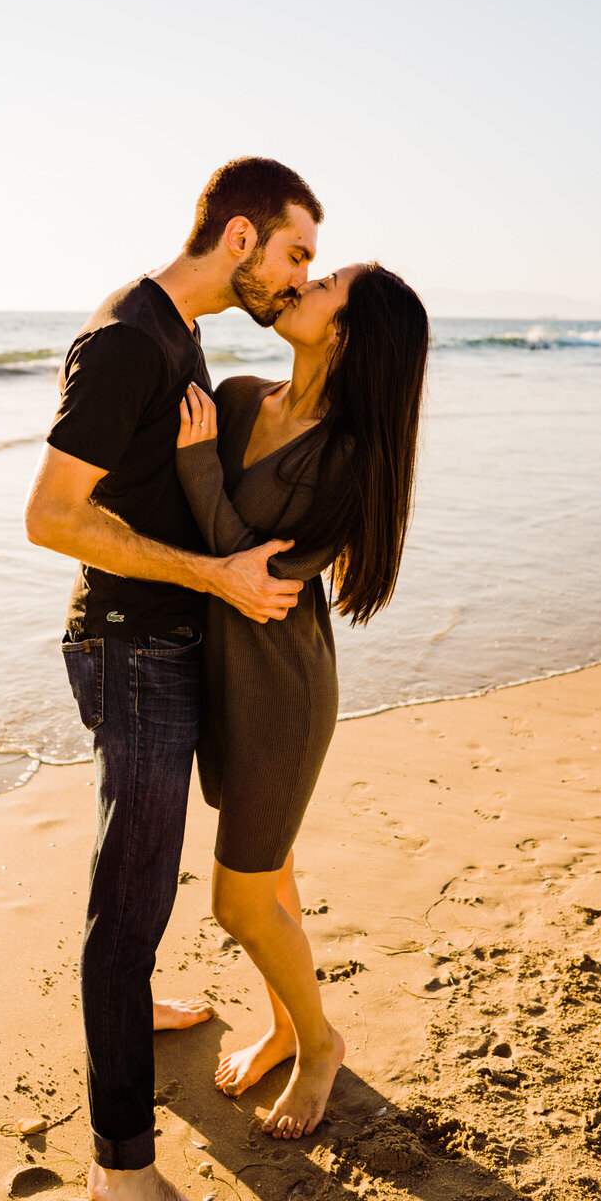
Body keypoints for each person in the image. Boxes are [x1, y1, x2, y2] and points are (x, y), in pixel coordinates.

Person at [24, 157, 323, 1201]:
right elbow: (52, 516)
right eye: (292, 253)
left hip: (169, 643)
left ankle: (138, 1005)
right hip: (131, 646)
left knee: (141, 872)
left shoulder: (176, 334)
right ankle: (120, 1163)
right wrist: (219, 576)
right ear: (239, 236)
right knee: (131, 902)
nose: (295, 279)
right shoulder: (126, 342)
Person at [174, 262, 429, 1140]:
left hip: (280, 688)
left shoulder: (348, 456)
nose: (300, 286)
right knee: (270, 872)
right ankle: (285, 1027)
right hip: (213, 674)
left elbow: (263, 580)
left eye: (321, 286)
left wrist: (198, 465)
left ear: (345, 333)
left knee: (238, 903)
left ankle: (320, 1043)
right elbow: (194, 531)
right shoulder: (239, 396)